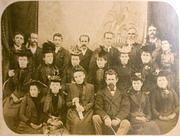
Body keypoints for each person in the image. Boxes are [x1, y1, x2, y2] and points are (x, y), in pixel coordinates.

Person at [92, 69, 130, 135]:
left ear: (117, 80)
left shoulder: (123, 92)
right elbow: (98, 108)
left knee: (126, 123)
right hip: (105, 121)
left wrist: (118, 119)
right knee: (95, 118)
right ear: (106, 80)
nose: (111, 82)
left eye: (113, 79)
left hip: (118, 120)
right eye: (109, 79)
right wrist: (105, 117)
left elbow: (125, 108)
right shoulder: (100, 92)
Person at [3, 50, 32, 132]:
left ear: (28, 61)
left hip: (25, 98)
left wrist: (23, 98)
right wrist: (13, 96)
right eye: (20, 60)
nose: (22, 62)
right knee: (6, 113)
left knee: (16, 114)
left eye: (24, 60)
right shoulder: (14, 72)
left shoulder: (32, 73)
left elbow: (33, 88)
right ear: (18, 61)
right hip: (13, 96)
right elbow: (8, 87)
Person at [66, 65, 94, 134]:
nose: (78, 78)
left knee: (85, 123)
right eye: (76, 77)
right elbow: (67, 103)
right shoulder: (71, 87)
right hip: (74, 111)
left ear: (84, 75)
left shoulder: (90, 87)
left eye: (80, 76)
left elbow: (92, 102)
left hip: (87, 111)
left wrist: (84, 108)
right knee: (76, 122)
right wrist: (73, 102)